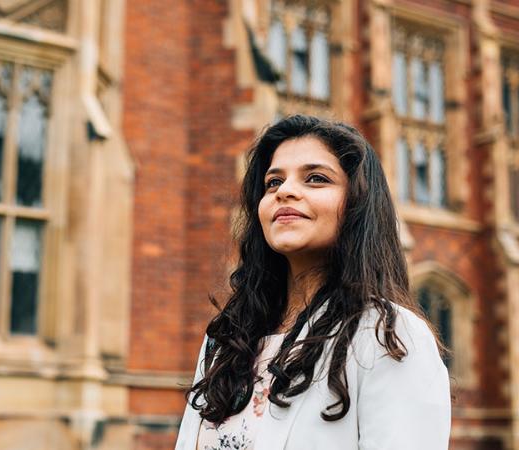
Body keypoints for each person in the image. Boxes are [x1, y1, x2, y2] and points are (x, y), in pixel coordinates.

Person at [174, 115, 451, 450]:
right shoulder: (228, 338)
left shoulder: (387, 336)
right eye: (273, 183)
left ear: (356, 203)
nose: (285, 191)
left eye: (316, 179)